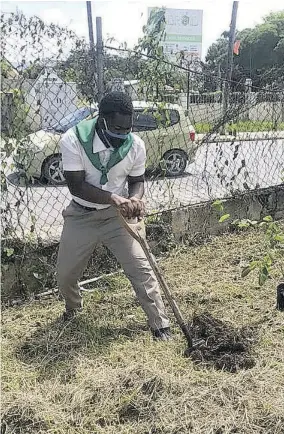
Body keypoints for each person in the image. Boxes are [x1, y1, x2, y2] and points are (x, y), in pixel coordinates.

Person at [57, 91, 171, 340]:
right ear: (102, 120)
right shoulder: (73, 140)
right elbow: (77, 186)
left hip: (117, 217)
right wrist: (113, 198)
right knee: (65, 275)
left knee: (141, 268)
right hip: (81, 216)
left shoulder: (136, 145)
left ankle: (160, 325)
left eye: (127, 128)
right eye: (117, 128)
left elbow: (137, 180)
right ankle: (73, 309)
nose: (123, 134)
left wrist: (135, 199)